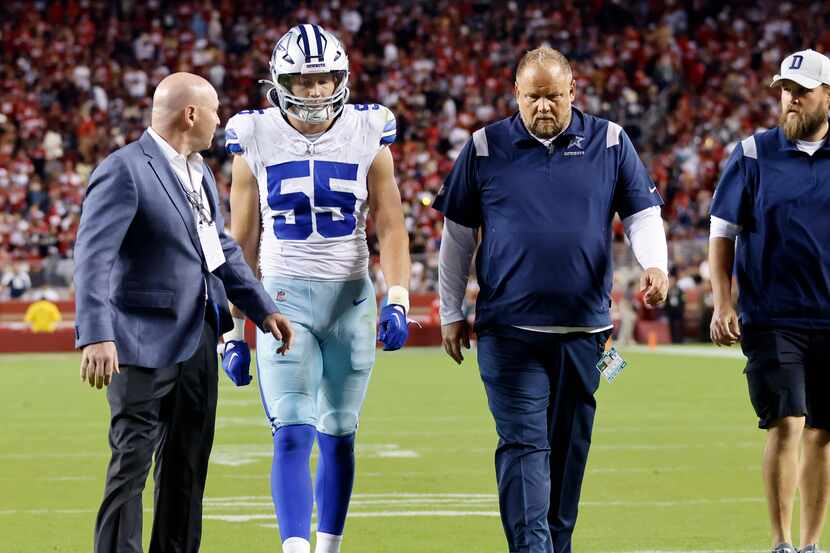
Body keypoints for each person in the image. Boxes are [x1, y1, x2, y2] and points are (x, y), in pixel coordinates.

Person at [433, 46, 668, 553]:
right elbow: (456, 235)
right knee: (524, 446)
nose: (543, 107)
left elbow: (642, 213)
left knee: (568, 453)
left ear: (573, 92)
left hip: (585, 333)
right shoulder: (483, 147)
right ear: (515, 93)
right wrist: (451, 311)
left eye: (553, 97)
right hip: (509, 332)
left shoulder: (609, 140)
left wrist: (655, 263)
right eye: (533, 97)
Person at [73, 72, 293, 553]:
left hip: (198, 341)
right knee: (130, 467)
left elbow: (221, 252)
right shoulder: (124, 169)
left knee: (188, 467)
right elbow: (93, 257)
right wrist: (95, 334)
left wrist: (262, 308)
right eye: (214, 109)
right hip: (139, 341)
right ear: (190, 114)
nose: (219, 119)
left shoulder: (200, 173)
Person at [221, 24, 410, 553]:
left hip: (351, 299)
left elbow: (392, 224)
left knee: (340, 433)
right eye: (301, 82)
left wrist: (398, 298)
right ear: (279, 82)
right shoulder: (253, 136)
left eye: (323, 79)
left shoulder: (369, 130)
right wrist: (233, 328)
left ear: (340, 79)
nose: (312, 91)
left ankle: (327, 547)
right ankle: (295, 549)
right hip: (281, 300)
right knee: (292, 429)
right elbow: (242, 239)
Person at [709, 49, 830, 553]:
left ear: (828, 95)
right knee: (787, 421)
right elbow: (723, 232)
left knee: (823, 434)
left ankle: (809, 545)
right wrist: (722, 302)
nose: (791, 99)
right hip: (772, 315)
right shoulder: (753, 153)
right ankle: (780, 544)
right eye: (785, 89)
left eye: (801, 90)